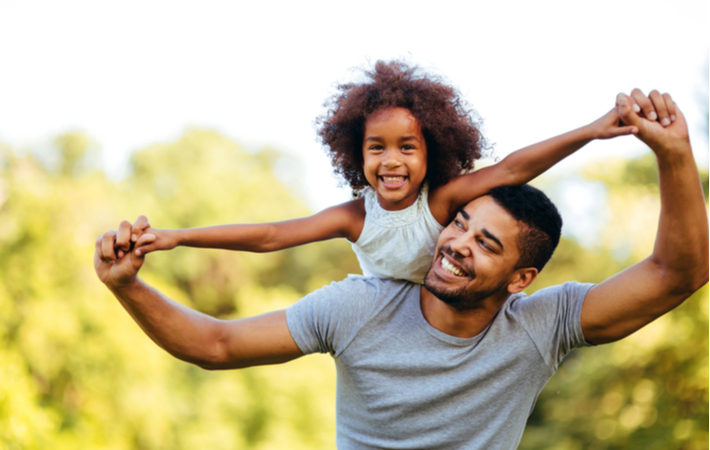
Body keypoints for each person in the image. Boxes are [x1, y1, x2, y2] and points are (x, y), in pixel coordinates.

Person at [94, 90, 708, 449]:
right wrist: (130, 285)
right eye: (460, 222)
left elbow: (677, 274)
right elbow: (216, 343)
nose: (457, 241)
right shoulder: (358, 306)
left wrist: (675, 155)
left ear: (522, 279)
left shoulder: (541, 326)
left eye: (487, 243)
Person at [128, 61, 637, 284]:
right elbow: (270, 235)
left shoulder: (440, 203)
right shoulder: (355, 216)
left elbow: (512, 168)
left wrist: (590, 131)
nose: (391, 161)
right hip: (386, 321)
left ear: (431, 153)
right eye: (377, 148)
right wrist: (177, 237)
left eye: (407, 148)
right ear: (357, 154)